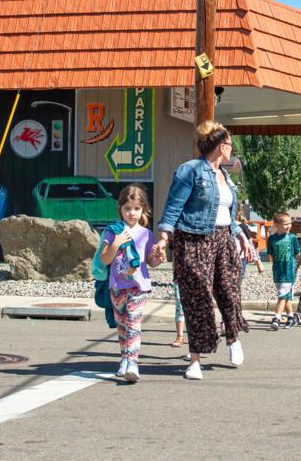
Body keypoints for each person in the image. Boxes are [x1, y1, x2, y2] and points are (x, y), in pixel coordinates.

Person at [152, 121, 249, 381]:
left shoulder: (226, 176)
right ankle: (195, 359)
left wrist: (241, 236)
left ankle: (233, 338)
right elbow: (173, 206)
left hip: (224, 239)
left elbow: (228, 214)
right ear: (220, 146)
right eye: (230, 144)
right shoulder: (191, 170)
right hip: (194, 240)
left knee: (230, 292)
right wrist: (164, 237)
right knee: (198, 298)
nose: (232, 149)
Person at [99, 184, 155, 383]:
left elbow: (151, 261)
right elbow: (105, 259)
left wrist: (158, 256)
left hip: (139, 287)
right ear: (120, 209)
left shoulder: (146, 234)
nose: (132, 213)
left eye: (137, 208)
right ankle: (124, 359)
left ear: (143, 209)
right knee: (122, 326)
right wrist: (117, 242)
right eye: (127, 208)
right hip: (117, 286)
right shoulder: (113, 231)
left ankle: (133, 362)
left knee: (133, 323)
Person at [266, 212, 301, 330]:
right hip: (277, 271)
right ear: (277, 225)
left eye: (290, 223)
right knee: (285, 296)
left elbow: (296, 253)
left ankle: (277, 318)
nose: (289, 226)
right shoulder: (272, 238)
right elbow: (270, 254)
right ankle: (291, 317)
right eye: (285, 224)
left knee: (282, 295)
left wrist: (293, 265)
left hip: (288, 270)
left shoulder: (292, 237)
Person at [236, 210, 265, 280]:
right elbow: (251, 245)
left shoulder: (242, 227)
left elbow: (250, 245)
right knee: (238, 279)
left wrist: (258, 262)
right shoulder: (244, 226)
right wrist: (258, 262)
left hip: (237, 256)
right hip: (240, 257)